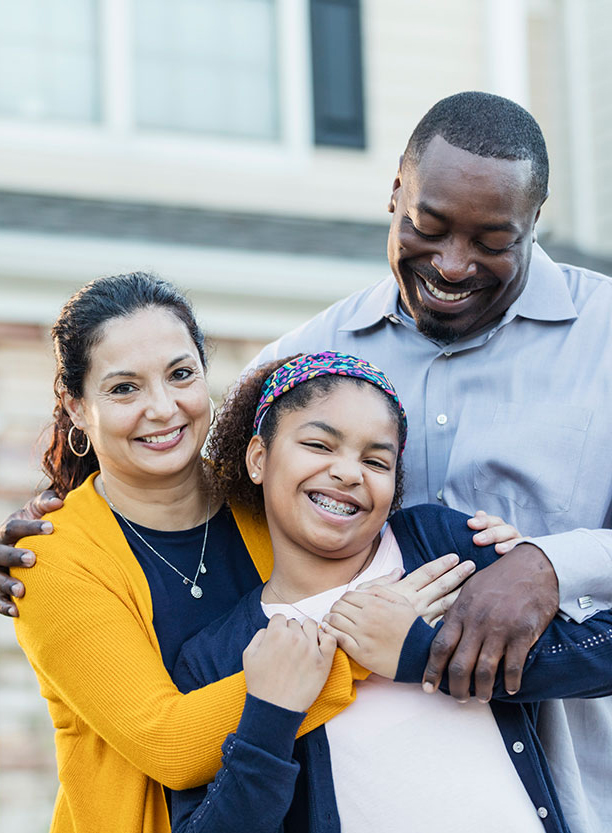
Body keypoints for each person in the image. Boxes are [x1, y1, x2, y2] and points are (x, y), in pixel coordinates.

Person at [3, 89, 610, 829]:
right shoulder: (303, 360)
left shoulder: (600, 341)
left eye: (491, 240)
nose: (454, 263)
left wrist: (550, 563)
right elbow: (175, 741)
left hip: (574, 774)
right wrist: (378, 644)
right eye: (431, 225)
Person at [170, 352, 612, 833]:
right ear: (259, 458)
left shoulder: (440, 548)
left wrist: (422, 654)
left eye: (375, 460)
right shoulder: (218, 655)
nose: (348, 473)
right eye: (319, 445)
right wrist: (271, 716)